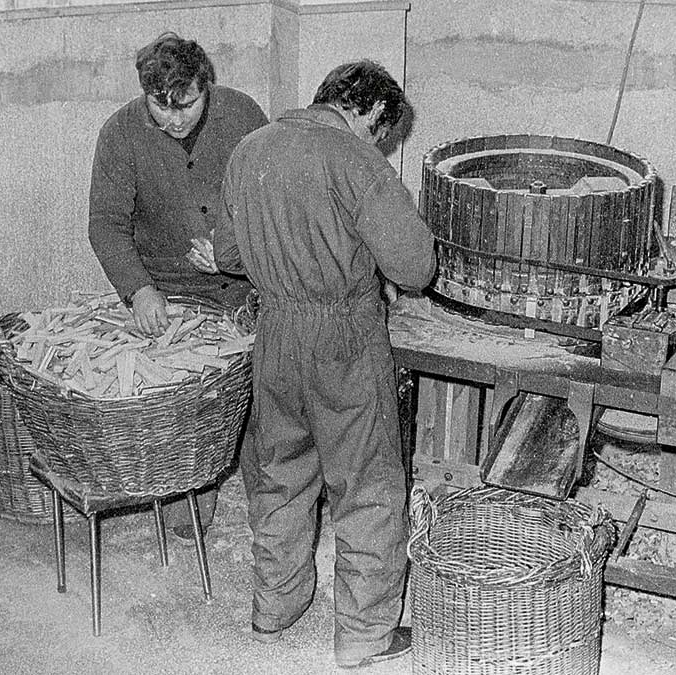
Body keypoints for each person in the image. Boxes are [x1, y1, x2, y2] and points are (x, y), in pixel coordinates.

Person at [206, 60, 436, 668]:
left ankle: (275, 606)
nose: (379, 145)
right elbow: (416, 269)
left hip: (275, 334)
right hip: (345, 340)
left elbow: (229, 254)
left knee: (279, 472)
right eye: (381, 134)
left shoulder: (248, 149)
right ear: (367, 114)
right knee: (367, 484)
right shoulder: (358, 162)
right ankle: (363, 636)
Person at [88, 32, 269, 539]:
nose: (171, 118)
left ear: (204, 85)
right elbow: (105, 224)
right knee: (189, 408)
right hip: (171, 295)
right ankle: (193, 482)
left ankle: (271, 498)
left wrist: (235, 251)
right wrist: (138, 289)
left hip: (241, 286)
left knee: (264, 402)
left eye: (184, 104)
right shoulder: (120, 134)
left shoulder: (244, 117)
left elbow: (271, 201)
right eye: (158, 106)